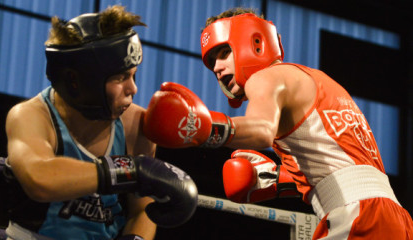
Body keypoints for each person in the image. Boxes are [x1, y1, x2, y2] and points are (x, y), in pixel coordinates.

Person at [142, 7, 413, 239]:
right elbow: (341, 166)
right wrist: (280, 179)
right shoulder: (317, 82)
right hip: (395, 218)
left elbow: (261, 131)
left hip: (357, 214)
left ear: (255, 43)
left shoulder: (268, 77)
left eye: (223, 53)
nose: (216, 67)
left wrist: (202, 127)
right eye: (211, 61)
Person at [4, 5, 198, 240]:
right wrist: (130, 172)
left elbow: (142, 212)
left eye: (134, 75)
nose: (133, 89)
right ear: (78, 81)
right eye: (120, 77)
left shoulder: (135, 125)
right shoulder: (31, 116)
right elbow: (39, 178)